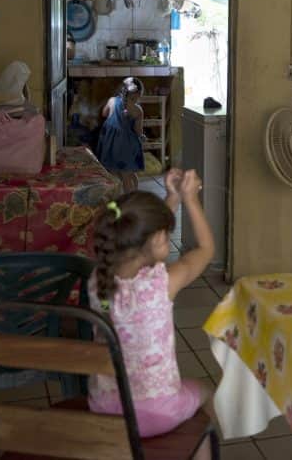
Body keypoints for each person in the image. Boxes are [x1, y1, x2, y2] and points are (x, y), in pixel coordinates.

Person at [87, 169, 215, 446]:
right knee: (206, 390)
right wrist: (190, 199)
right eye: (165, 236)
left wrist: (171, 198)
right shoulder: (161, 283)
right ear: (157, 240)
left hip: (105, 406)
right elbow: (205, 250)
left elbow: (144, 243)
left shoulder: (97, 280)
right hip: (158, 412)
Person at [97, 77, 145, 191]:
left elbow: (104, 114)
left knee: (112, 171)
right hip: (126, 144)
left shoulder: (112, 100)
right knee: (127, 174)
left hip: (110, 142)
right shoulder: (138, 110)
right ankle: (131, 198)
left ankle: (114, 196)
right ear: (139, 94)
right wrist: (142, 137)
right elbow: (138, 130)